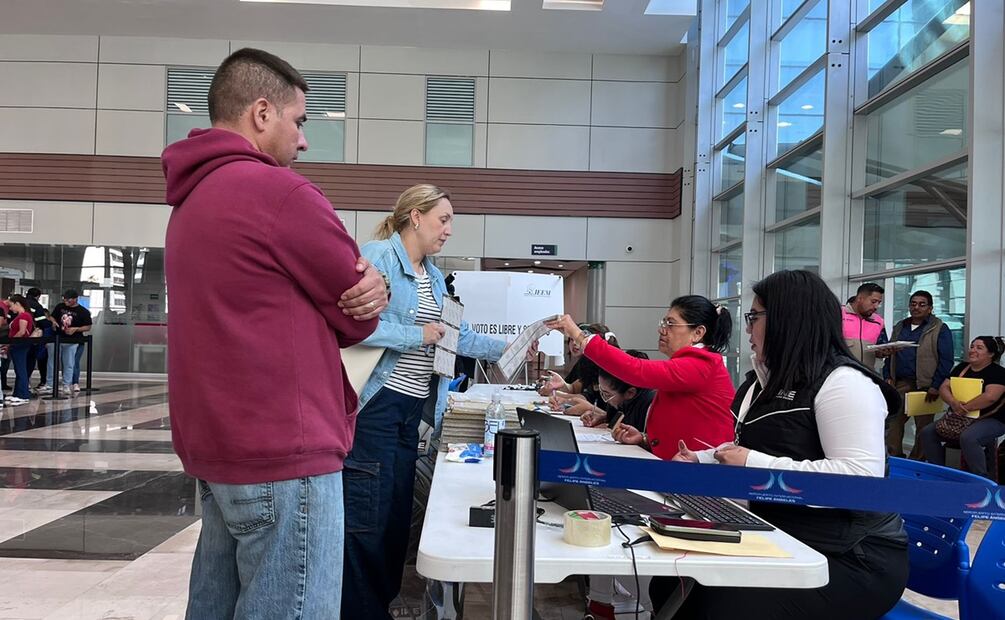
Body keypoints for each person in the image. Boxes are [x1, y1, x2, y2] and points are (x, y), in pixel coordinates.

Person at [161, 47, 388, 619]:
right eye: (300, 121)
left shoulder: (189, 201)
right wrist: (374, 290)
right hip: (286, 454)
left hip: (220, 452)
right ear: (262, 113)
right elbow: (359, 316)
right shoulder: (282, 195)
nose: (304, 140)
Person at [668, 270, 908, 619]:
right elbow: (755, 447)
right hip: (782, 535)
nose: (748, 328)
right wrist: (703, 459)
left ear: (787, 320)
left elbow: (859, 481)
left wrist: (752, 463)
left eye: (755, 317)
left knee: (718, 607)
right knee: (674, 584)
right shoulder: (761, 381)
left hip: (852, 557)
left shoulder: (845, 384)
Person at [343, 184, 509, 620]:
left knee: (397, 519)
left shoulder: (433, 276)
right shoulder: (377, 257)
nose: (449, 229)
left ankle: (381, 604)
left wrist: (513, 345)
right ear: (415, 216)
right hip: (376, 406)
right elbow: (350, 325)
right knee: (368, 519)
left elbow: (457, 337)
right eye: (444, 219)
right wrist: (418, 334)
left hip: (410, 412)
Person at [546, 295, 735, 459]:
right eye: (663, 323)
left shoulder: (702, 364)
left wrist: (579, 335)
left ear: (698, 333)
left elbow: (635, 370)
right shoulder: (693, 364)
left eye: (670, 324)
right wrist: (645, 438)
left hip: (700, 474)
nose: (662, 330)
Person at [919, 336, 1005, 479]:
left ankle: (980, 479)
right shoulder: (961, 368)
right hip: (960, 417)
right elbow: (944, 387)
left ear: (991, 354)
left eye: (979, 348)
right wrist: (953, 402)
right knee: (927, 432)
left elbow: (990, 397)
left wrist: (964, 407)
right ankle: (940, 473)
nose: (973, 350)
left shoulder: (998, 372)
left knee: (969, 437)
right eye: (972, 346)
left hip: (992, 418)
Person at [883, 290, 955, 459]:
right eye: (913, 304)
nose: (916, 307)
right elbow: (890, 353)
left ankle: (918, 461)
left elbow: (946, 359)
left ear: (930, 308)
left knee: (923, 427)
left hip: (926, 385)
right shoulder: (900, 326)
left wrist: (936, 385)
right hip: (900, 382)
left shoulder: (939, 328)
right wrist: (888, 375)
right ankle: (896, 458)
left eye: (922, 304)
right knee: (894, 422)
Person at [579, 350, 656, 431]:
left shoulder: (650, 408)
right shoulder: (623, 402)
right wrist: (603, 418)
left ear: (630, 393)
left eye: (607, 395)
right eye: (601, 391)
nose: (605, 400)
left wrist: (641, 440)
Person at [46, 290, 92, 394]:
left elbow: (88, 327)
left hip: (72, 340)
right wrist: (53, 322)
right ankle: (50, 384)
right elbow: (52, 316)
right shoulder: (60, 307)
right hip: (57, 338)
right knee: (52, 362)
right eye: (64, 299)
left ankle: (66, 384)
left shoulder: (83, 311)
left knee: (69, 363)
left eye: (68, 299)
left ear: (75, 299)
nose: (66, 301)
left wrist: (75, 329)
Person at [843, 282, 887, 367]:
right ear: (860, 298)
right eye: (873, 301)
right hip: (841, 375)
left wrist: (884, 352)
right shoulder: (837, 314)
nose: (876, 306)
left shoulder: (879, 321)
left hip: (867, 375)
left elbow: (881, 347)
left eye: (879, 303)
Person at [4, 295, 34, 407]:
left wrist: (11, 342)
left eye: (11, 306)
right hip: (18, 345)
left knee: (21, 369)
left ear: (17, 304)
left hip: (20, 345)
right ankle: (18, 393)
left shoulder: (24, 316)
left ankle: (23, 395)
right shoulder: (22, 315)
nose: (10, 309)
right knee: (19, 369)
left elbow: (21, 332)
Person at [24, 288, 50, 390]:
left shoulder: (21, 303)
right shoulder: (36, 305)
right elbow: (42, 322)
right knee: (30, 359)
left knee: (21, 360)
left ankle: (22, 381)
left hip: (17, 336)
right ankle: (26, 381)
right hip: (32, 337)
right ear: (38, 296)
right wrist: (51, 323)